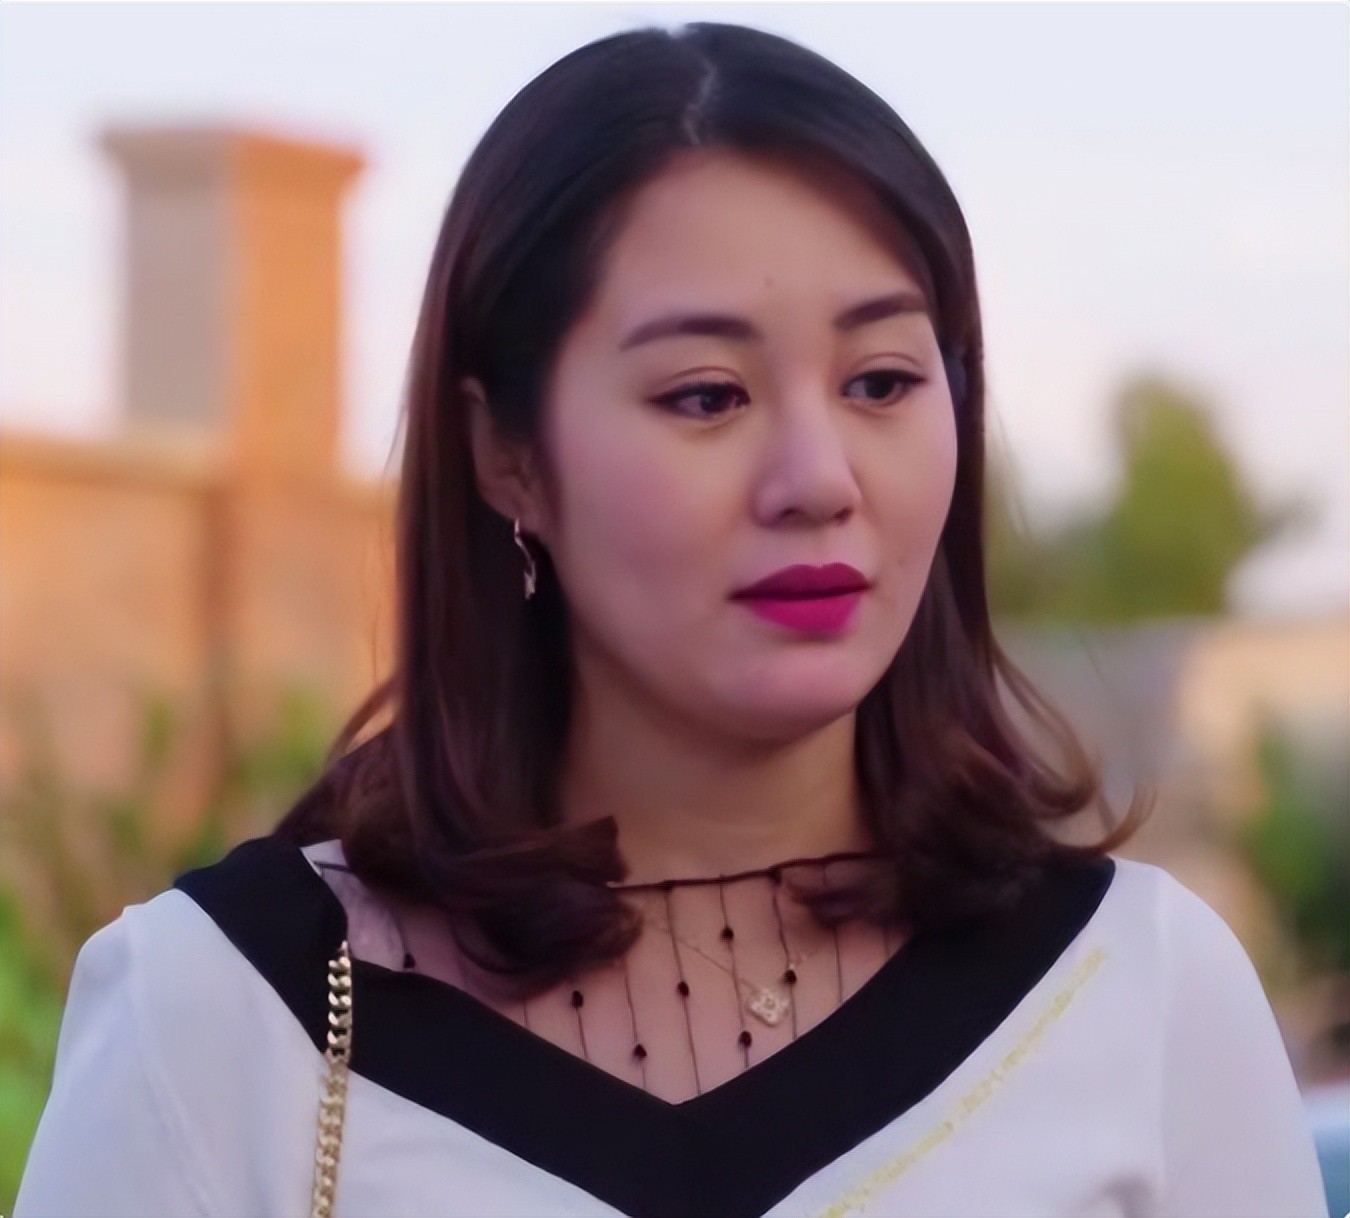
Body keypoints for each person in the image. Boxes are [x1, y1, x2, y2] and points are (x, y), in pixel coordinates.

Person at [15, 20, 1330, 1218]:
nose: (818, 478)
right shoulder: (221, 1014)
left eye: (881, 380)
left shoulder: (1137, 995)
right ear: (505, 454)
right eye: (706, 395)